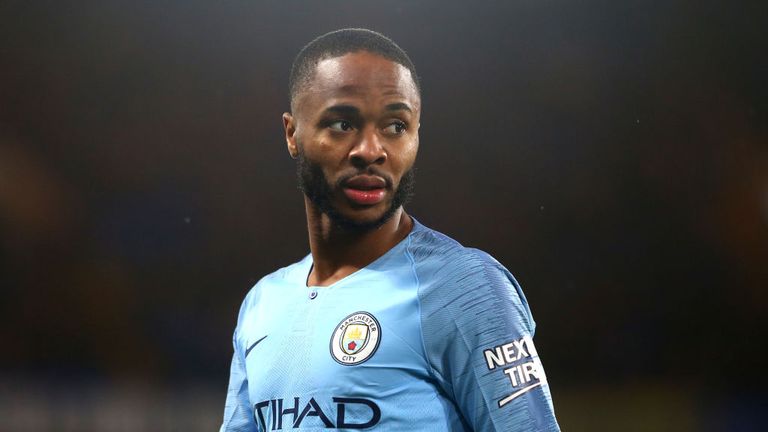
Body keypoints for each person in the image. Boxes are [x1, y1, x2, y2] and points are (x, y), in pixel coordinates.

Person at [220, 28, 560, 431]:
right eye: (342, 123)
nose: (371, 150)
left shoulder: (463, 287)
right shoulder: (263, 305)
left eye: (396, 126)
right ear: (293, 134)